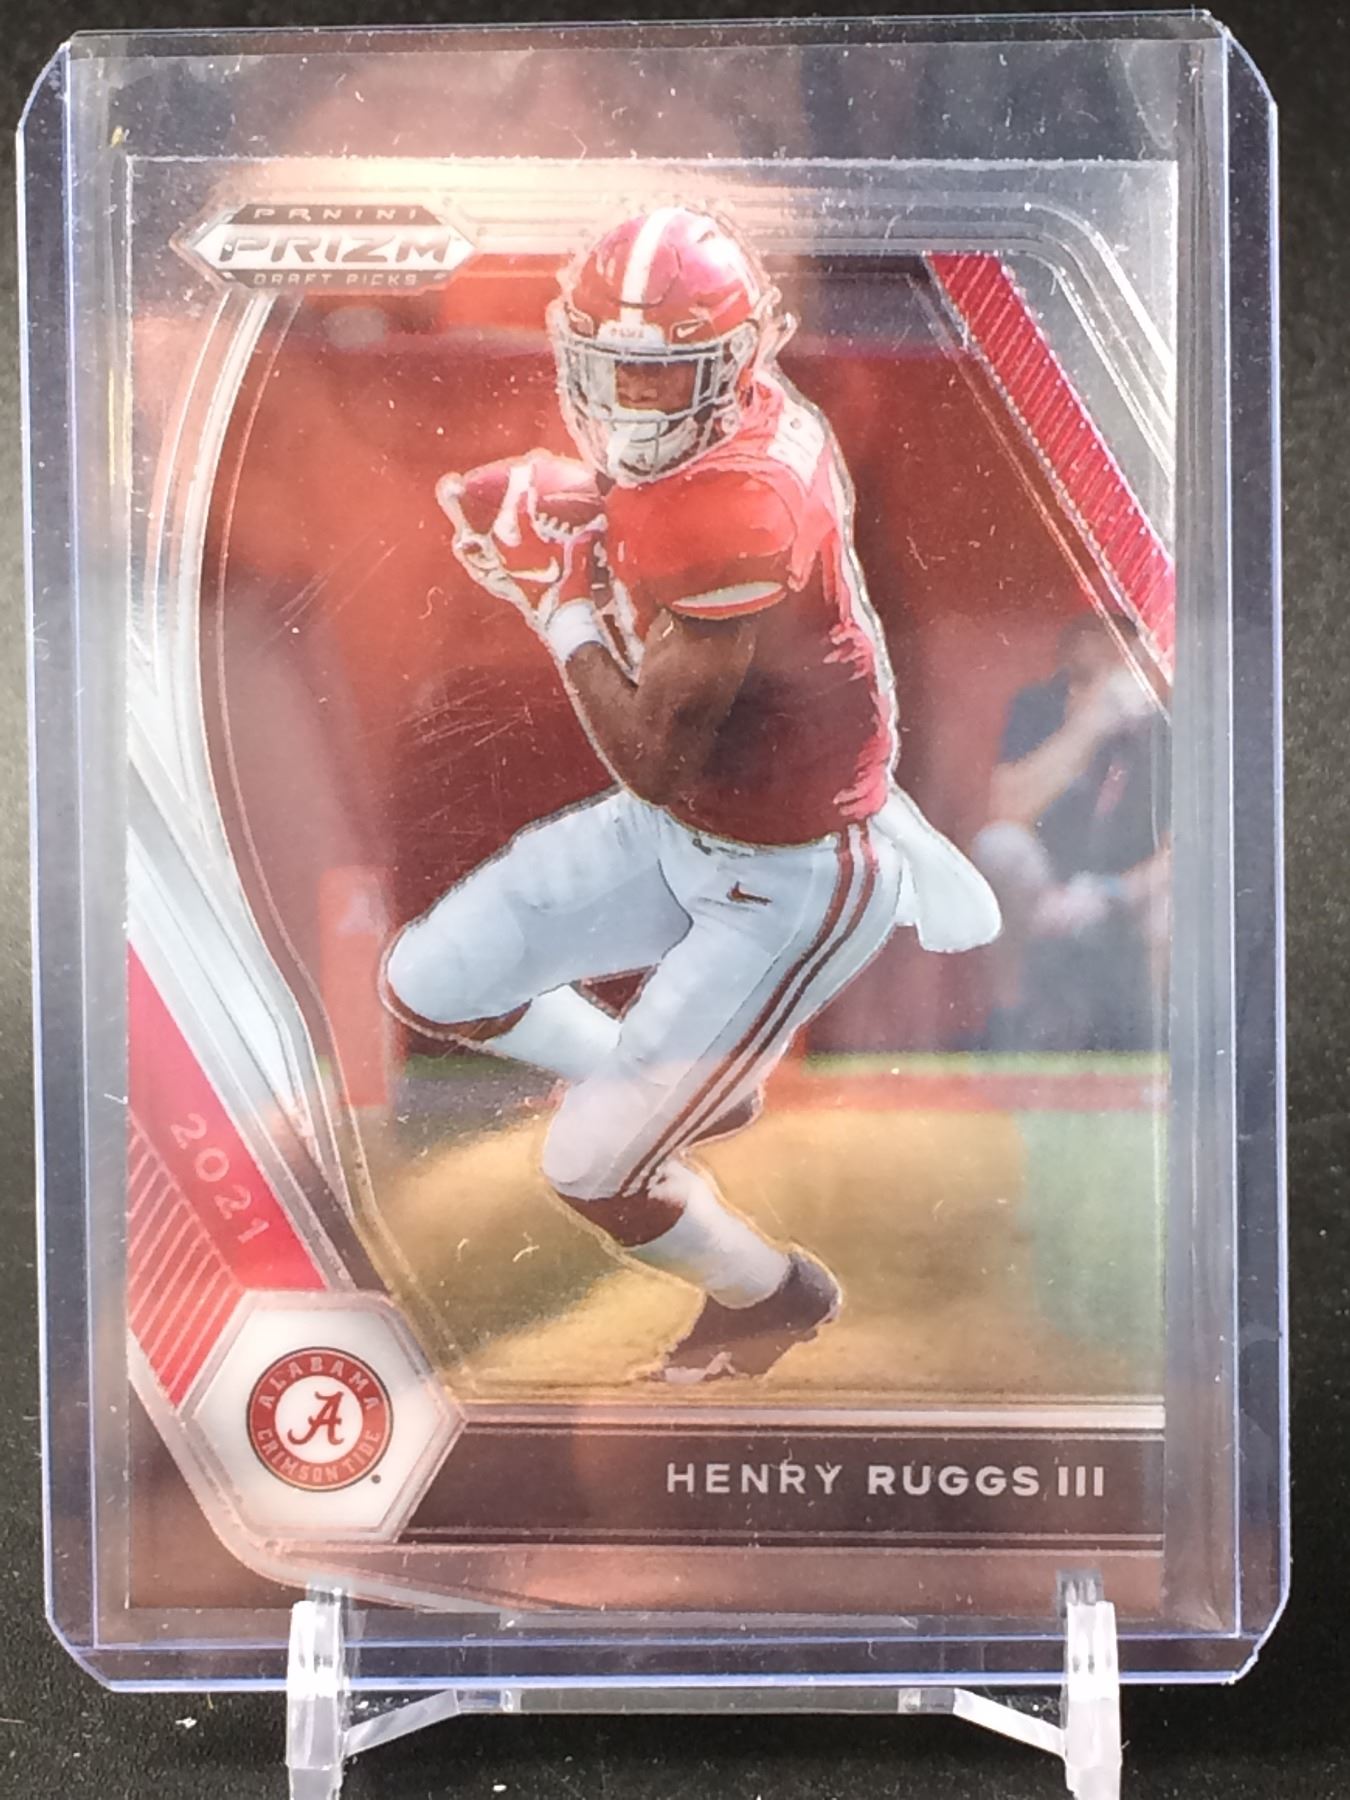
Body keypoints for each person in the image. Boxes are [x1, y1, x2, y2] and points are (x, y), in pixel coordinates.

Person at [381, 205, 998, 1383]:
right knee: (431, 979)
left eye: (661, 377)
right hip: (687, 825)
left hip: (795, 870)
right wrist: (577, 511)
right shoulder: (739, 434)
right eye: (608, 369)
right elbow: (652, 529)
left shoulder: (738, 506)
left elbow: (653, 751)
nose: (626, 405)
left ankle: (770, 1294)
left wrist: (557, 600)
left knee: (591, 1168)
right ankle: (684, 1086)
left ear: (733, 363)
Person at [972, 614, 1170, 1052]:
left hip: (1129, 891)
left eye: (1115, 673)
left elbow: (1187, 849)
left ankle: (1158, 1043)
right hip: (1049, 889)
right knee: (998, 847)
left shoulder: (1169, 725)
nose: (1099, 688)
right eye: (1081, 676)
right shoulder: (1041, 709)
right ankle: (1011, 1026)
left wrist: (1113, 892)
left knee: (1170, 906)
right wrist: (1087, 728)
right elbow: (1006, 810)